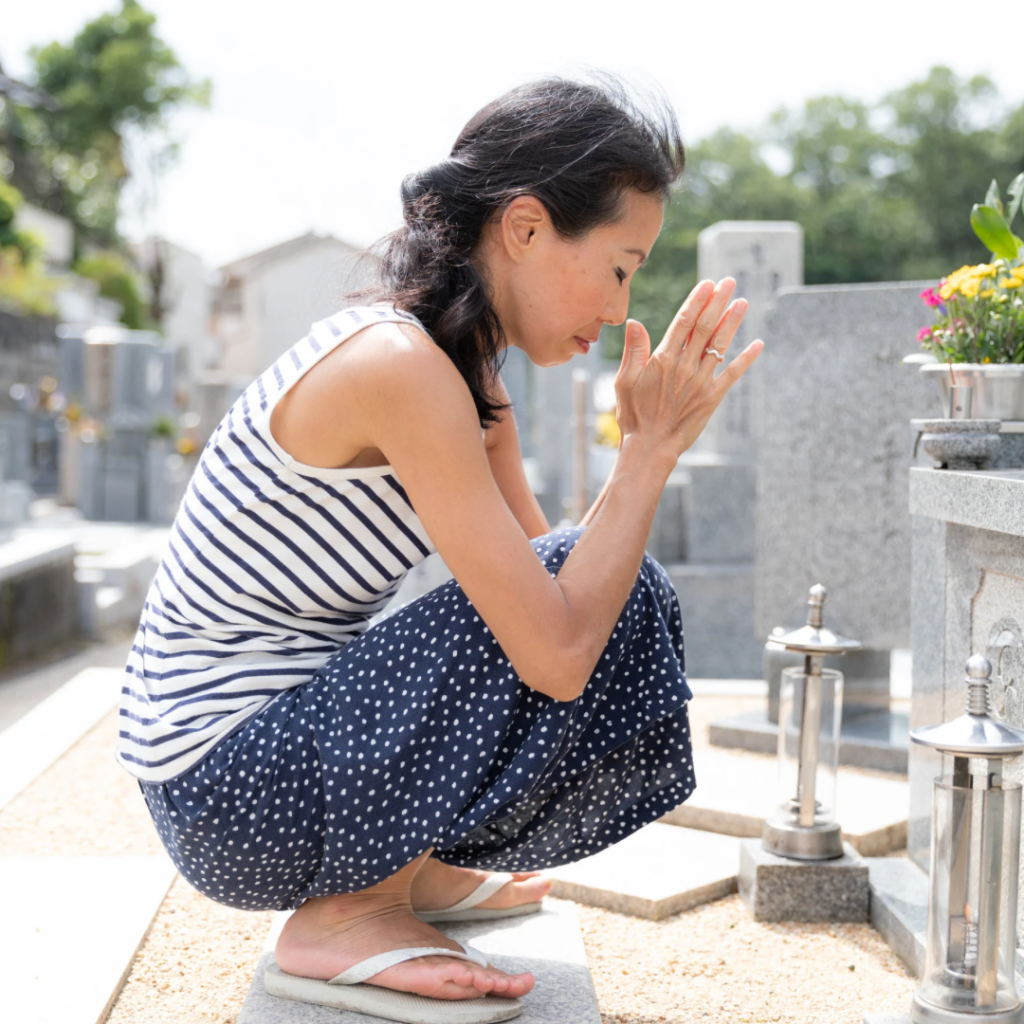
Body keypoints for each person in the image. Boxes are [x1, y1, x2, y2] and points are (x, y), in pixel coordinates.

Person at [117, 75, 762, 1024]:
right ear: (528, 228)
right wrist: (649, 452)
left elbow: (574, 613)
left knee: (626, 593)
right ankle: (350, 911)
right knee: (587, 603)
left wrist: (637, 460)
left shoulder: (466, 379)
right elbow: (553, 648)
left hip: (264, 770)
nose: (627, 304)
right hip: (223, 790)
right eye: (622, 266)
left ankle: (411, 873)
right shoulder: (399, 365)